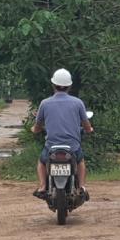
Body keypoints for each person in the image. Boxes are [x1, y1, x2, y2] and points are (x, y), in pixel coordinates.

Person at [31, 68, 94, 200]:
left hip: (51, 147)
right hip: (72, 147)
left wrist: (34, 130)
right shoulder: (78, 103)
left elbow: (37, 127)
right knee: (80, 161)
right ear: (69, 86)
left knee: (42, 162)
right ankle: (82, 187)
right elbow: (86, 125)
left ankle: (42, 186)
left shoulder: (45, 103)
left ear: (53, 85)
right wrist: (89, 130)